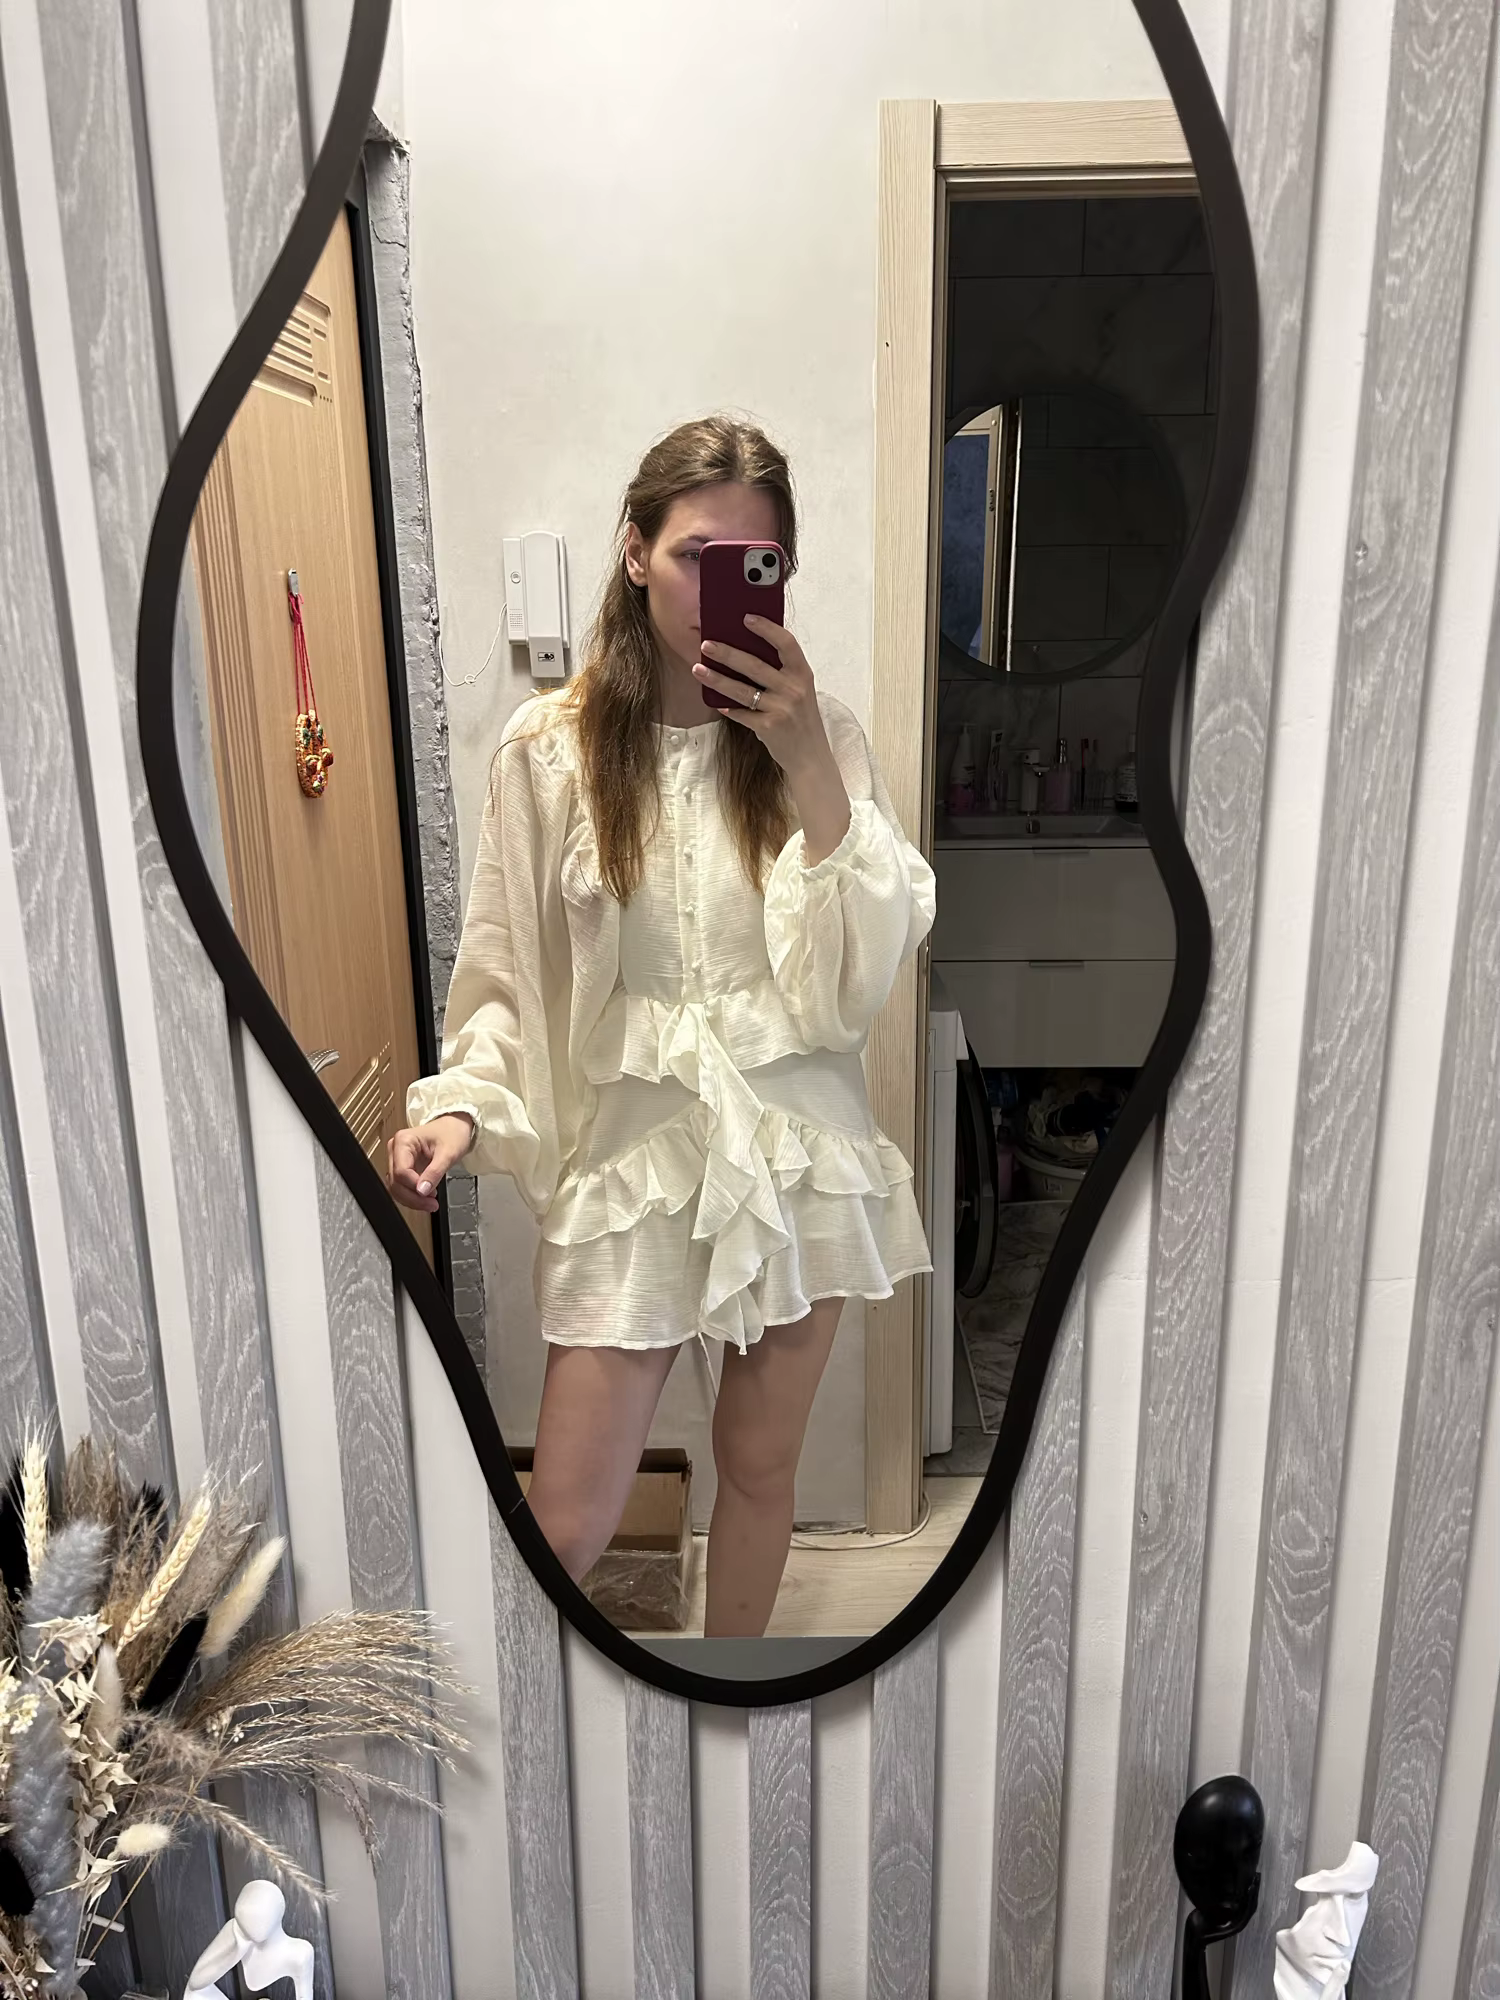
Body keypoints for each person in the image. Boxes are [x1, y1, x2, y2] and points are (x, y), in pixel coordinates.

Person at [388, 414, 936, 1637]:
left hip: (794, 1151)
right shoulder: (550, 751)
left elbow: (859, 976)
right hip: (631, 1155)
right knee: (567, 1519)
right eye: (695, 555)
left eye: (755, 563)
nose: (716, 588)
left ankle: (730, 1700)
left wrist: (805, 757)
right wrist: (463, 1105)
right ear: (635, 551)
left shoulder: (824, 733)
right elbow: (506, 965)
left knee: (759, 1468)